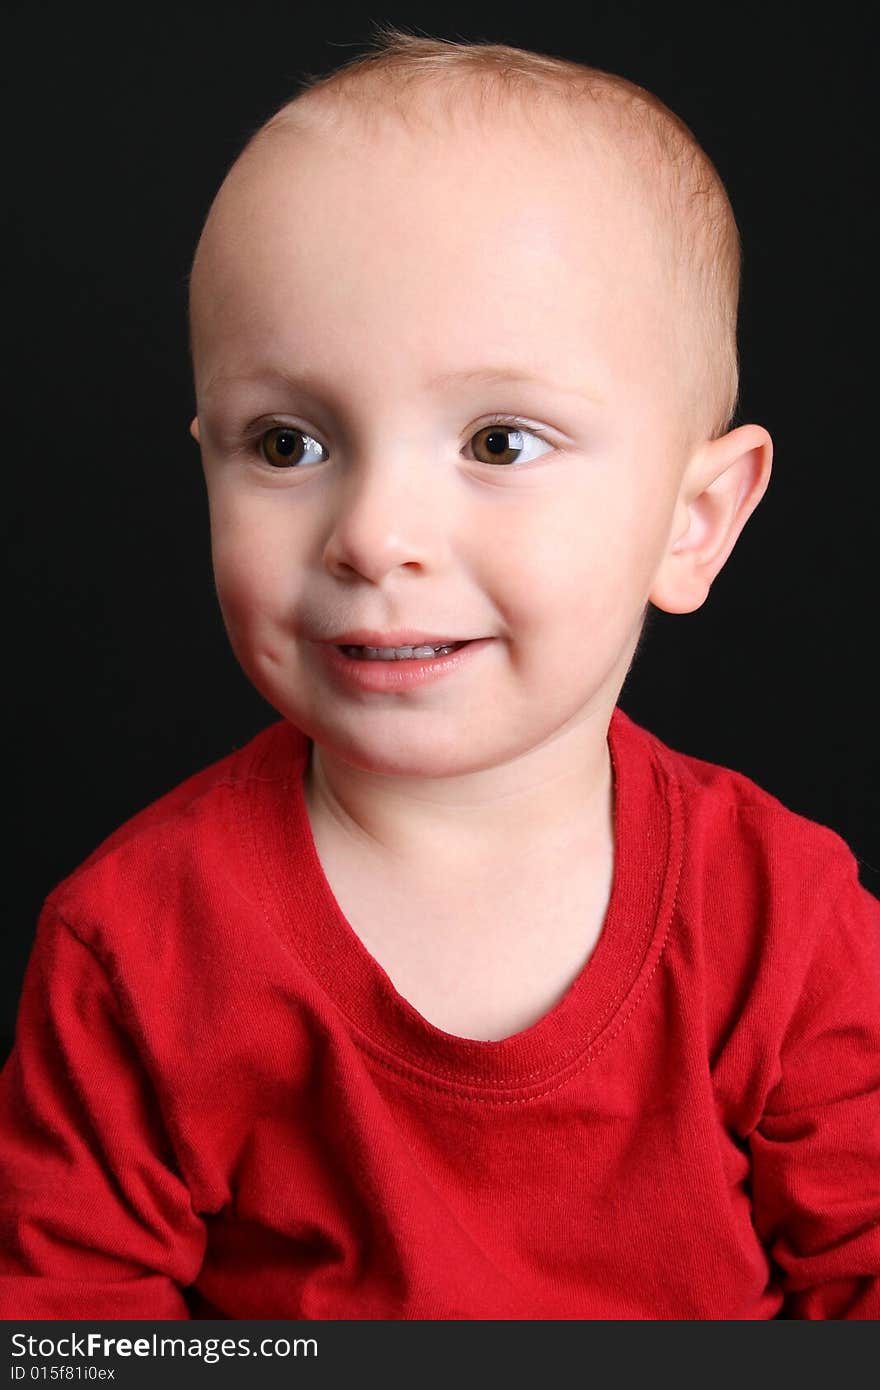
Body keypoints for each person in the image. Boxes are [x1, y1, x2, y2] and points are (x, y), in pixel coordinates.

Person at [1, 27, 877, 1322]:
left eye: (497, 438)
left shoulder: (785, 921)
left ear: (693, 519)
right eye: (289, 441)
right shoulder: (133, 947)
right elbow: (69, 1335)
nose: (371, 533)